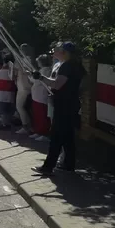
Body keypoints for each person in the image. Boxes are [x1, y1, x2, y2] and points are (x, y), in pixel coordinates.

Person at [32, 42, 85, 175]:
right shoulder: (77, 65)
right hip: (71, 103)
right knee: (67, 136)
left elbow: (56, 85)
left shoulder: (67, 66)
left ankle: (48, 167)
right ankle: (69, 164)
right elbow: (84, 83)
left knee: (56, 136)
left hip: (64, 105)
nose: (54, 52)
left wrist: (41, 78)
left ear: (64, 52)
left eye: (57, 50)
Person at [30, 54, 52, 142]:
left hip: (41, 96)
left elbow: (36, 80)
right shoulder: (42, 70)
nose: (38, 63)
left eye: (38, 61)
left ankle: (44, 133)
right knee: (37, 115)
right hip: (37, 96)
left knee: (42, 115)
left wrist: (30, 76)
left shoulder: (45, 70)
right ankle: (38, 131)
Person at [14, 44, 34, 135]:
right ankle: (28, 126)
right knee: (23, 107)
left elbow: (22, 70)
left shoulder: (26, 59)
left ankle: (26, 126)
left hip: (24, 86)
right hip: (22, 85)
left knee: (20, 106)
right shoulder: (25, 59)